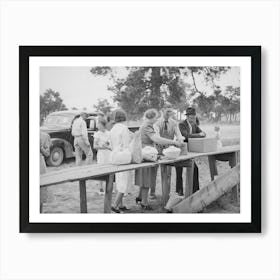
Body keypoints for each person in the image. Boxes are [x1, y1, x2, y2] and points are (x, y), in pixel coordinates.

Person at [136, 109, 183, 210]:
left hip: (146, 152)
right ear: (152, 117)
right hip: (147, 153)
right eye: (155, 117)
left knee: (145, 177)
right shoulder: (147, 126)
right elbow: (157, 139)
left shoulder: (145, 125)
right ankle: (144, 203)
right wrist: (173, 142)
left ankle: (140, 198)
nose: (157, 119)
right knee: (147, 178)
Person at [150, 106, 184, 199]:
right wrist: (173, 142)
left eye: (170, 110)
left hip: (169, 152)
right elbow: (157, 138)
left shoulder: (174, 123)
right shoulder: (156, 123)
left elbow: (179, 134)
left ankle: (166, 194)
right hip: (157, 150)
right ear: (162, 110)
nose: (169, 112)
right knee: (154, 172)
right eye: (167, 110)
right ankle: (152, 193)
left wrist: (180, 139)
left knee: (168, 173)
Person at [175, 107, 206, 195]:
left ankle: (195, 190)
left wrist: (201, 134)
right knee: (179, 171)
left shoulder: (194, 124)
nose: (192, 119)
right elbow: (186, 136)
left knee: (195, 168)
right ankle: (179, 191)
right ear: (187, 117)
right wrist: (199, 134)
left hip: (190, 151)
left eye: (193, 117)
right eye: (190, 117)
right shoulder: (182, 124)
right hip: (180, 149)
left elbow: (203, 133)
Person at [109, 109, 132, 213]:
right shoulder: (124, 128)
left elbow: (111, 145)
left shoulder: (112, 129)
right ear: (124, 118)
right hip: (123, 156)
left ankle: (121, 205)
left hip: (113, 156)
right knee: (124, 181)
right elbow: (126, 144)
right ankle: (115, 205)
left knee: (119, 180)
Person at [93, 117, 111, 195]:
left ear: (103, 125)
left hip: (108, 153)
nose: (98, 126)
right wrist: (102, 147)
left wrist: (107, 145)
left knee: (109, 170)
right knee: (101, 170)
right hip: (101, 154)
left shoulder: (109, 133)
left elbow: (110, 143)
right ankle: (100, 188)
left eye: (99, 124)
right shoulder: (97, 134)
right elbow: (94, 146)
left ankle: (109, 187)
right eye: (98, 124)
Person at [40, 131, 51, 213]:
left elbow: (47, 153)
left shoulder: (44, 136)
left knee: (40, 192)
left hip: (39, 166)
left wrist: (40, 148)